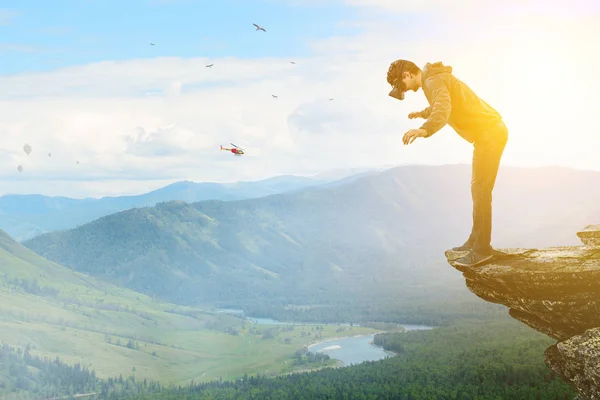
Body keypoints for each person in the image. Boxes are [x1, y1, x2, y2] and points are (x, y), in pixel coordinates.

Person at [387, 60, 508, 267]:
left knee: (481, 190)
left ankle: (482, 250)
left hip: (490, 133)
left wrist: (424, 129)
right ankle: (475, 241)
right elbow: (441, 103)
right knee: (477, 189)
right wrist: (422, 113)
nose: (404, 90)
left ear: (407, 74)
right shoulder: (432, 80)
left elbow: (443, 110)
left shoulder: (432, 80)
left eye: (401, 85)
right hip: (488, 133)